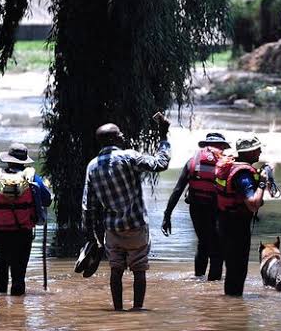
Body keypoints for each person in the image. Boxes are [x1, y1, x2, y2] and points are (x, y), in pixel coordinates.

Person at [82, 118, 171, 311]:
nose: (123, 136)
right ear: (114, 139)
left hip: (112, 229)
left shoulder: (92, 166)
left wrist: (92, 236)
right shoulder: (128, 157)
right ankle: (138, 311)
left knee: (116, 269)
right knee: (139, 268)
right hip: (136, 225)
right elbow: (160, 164)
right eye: (120, 133)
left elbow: (88, 206)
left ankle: (118, 311)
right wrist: (163, 136)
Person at [0, 143, 52, 296]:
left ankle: (0, 302)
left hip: (0, 231)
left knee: (1, 264)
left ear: (8, 161)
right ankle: (18, 307)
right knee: (19, 270)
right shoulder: (32, 179)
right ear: (24, 162)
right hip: (23, 232)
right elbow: (47, 200)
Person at [161, 133, 230, 280]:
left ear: (205, 146)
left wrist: (167, 215)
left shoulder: (192, 161)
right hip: (216, 209)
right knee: (217, 251)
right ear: (222, 146)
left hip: (197, 209)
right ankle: (212, 290)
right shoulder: (226, 164)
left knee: (203, 243)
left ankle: (199, 279)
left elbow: (178, 190)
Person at [214, 134, 268, 296]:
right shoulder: (244, 174)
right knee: (238, 269)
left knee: (232, 268)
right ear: (250, 152)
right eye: (257, 149)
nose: (260, 152)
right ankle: (233, 308)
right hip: (237, 226)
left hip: (224, 222)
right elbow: (252, 205)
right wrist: (263, 182)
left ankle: (229, 304)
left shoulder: (231, 166)